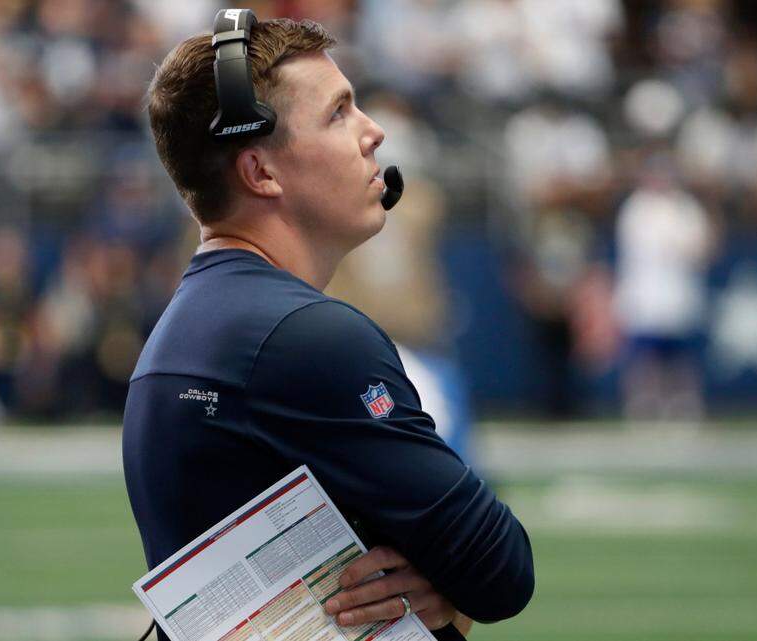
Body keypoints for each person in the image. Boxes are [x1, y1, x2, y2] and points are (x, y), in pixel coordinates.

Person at [122, 14, 534, 641]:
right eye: (338, 113)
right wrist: (445, 582)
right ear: (261, 173)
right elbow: (502, 571)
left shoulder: (186, 329)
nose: (373, 131)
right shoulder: (304, 334)